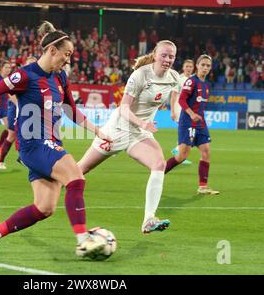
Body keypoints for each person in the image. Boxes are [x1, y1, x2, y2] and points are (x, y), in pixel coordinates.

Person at [0, 21, 111, 259]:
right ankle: (84, 240)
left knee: (44, 208)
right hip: (34, 145)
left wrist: (97, 131)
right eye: (66, 54)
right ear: (52, 50)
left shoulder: (60, 77)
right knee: (76, 177)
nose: (68, 60)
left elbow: (70, 109)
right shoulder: (24, 75)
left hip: (51, 144)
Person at [78, 40, 179, 234]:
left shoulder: (174, 78)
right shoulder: (140, 75)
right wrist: (143, 123)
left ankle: (149, 219)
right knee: (80, 170)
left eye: (171, 56)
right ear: (155, 54)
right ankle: (47, 183)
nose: (167, 60)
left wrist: (173, 113)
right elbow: (123, 108)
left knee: (159, 164)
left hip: (139, 133)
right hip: (119, 129)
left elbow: (168, 98)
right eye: (164, 55)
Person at [165, 54, 219, 195]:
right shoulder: (191, 81)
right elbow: (182, 100)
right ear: (197, 65)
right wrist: (191, 114)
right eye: (203, 65)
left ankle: (202, 186)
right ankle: (159, 172)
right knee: (182, 156)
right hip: (188, 121)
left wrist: (199, 117)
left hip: (200, 123)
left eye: (208, 65)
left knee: (206, 151)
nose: (205, 68)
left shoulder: (206, 84)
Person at [0, 56, 37, 170]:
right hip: (16, 109)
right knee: (12, 135)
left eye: (34, 63)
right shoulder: (21, 76)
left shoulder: (35, 78)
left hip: (26, 109)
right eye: (30, 63)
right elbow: (11, 93)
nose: (32, 66)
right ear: (25, 64)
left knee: (30, 133)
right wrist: (20, 106)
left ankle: (23, 157)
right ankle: (1, 160)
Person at [170, 59, 194, 165]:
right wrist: (172, 111)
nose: (188, 68)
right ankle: (178, 152)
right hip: (180, 109)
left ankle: (178, 151)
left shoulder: (194, 79)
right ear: (183, 68)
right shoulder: (179, 79)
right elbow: (173, 95)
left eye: (190, 66)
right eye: (187, 66)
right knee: (186, 132)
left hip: (190, 110)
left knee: (190, 133)